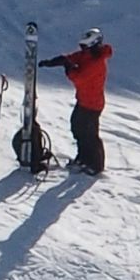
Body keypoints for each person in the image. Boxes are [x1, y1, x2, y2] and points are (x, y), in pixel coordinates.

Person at [38, 28, 113, 176]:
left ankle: (95, 165)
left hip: (92, 104)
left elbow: (77, 77)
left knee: (89, 134)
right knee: (77, 128)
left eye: (85, 47)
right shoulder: (88, 55)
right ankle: (83, 158)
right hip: (84, 101)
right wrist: (53, 62)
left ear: (94, 45)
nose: (82, 49)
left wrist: (68, 67)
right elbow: (72, 58)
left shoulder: (97, 63)